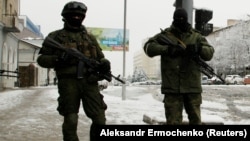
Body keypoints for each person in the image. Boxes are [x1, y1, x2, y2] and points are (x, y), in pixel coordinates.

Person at [37, 1, 111, 140]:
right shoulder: (56, 37)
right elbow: (41, 59)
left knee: (100, 119)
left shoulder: (89, 38)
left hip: (90, 82)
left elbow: (100, 58)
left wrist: (104, 64)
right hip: (68, 83)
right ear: (65, 16)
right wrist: (58, 59)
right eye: (73, 15)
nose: (76, 18)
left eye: (79, 15)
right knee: (71, 120)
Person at [143, 8, 214, 125]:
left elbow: (209, 53)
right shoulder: (165, 35)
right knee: (173, 123)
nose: (180, 21)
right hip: (172, 88)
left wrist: (198, 48)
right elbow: (148, 47)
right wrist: (168, 50)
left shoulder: (196, 36)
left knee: (196, 122)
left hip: (192, 87)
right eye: (178, 19)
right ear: (173, 19)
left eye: (183, 19)